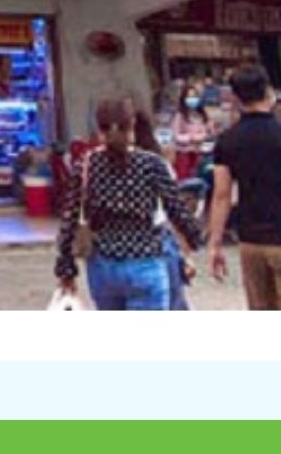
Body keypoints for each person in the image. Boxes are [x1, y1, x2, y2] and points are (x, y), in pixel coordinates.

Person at [56, 97, 203, 311]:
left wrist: (66, 268)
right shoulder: (151, 164)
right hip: (146, 261)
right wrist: (194, 240)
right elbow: (176, 210)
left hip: (103, 266)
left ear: (99, 127)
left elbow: (69, 217)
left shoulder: (86, 165)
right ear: (132, 124)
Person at [206, 66, 281, 310]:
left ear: (236, 99)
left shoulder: (227, 141)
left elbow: (221, 196)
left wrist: (215, 243)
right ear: (269, 93)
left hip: (251, 242)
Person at [134, 109, 196, 310]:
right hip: (159, 244)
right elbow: (175, 212)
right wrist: (186, 253)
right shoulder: (158, 165)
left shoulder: (100, 167)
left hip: (119, 252)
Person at [168, 88, 214, 180]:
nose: (192, 99)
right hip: (184, 152)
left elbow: (209, 132)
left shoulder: (202, 114)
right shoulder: (180, 115)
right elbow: (175, 135)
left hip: (201, 152)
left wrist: (203, 136)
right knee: (185, 179)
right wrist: (190, 138)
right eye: (189, 97)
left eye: (194, 96)